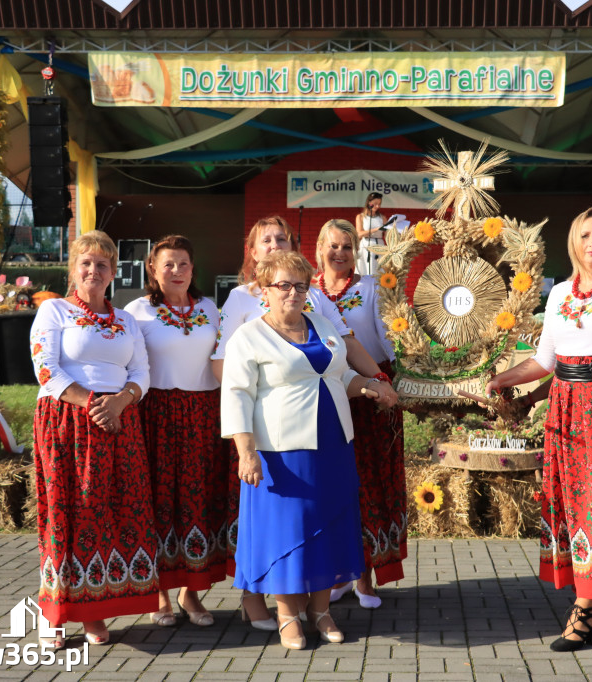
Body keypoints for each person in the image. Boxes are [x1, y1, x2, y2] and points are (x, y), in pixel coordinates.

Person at [486, 207, 592, 652]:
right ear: (573, 241)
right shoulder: (560, 292)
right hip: (567, 410)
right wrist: (503, 379)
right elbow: (546, 361)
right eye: (586, 235)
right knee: (578, 503)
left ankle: (588, 606)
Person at [210, 215, 398, 628]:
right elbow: (236, 391)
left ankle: (321, 611)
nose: (293, 292)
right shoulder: (247, 326)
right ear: (265, 288)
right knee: (286, 531)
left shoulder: (322, 320)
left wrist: (371, 384)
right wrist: (246, 450)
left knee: (327, 526)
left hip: (332, 440)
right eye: (284, 286)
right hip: (281, 444)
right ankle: (286, 614)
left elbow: (340, 370)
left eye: (300, 285)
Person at [29, 230, 155, 648]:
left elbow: (142, 372)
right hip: (67, 421)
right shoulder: (54, 312)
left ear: (114, 272)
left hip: (118, 424)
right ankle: (56, 614)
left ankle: (95, 611)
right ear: (74, 269)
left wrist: (118, 403)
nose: (94, 271)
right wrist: (91, 404)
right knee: (67, 513)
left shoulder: (126, 320)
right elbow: (45, 368)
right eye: (86, 263)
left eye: (103, 264)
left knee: (108, 513)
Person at [124, 235, 224, 629]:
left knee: (198, 498)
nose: (177, 271)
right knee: (160, 500)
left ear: (193, 268)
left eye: (183, 263)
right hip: (156, 414)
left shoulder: (210, 309)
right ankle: (160, 593)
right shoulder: (137, 311)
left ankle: (192, 591)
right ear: (152, 269)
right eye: (168, 264)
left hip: (203, 413)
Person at [312, 219, 406, 609]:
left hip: (372, 396)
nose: (339, 253)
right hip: (326, 397)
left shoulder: (371, 288)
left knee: (368, 485)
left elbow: (391, 340)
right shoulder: (304, 291)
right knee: (331, 486)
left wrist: (394, 383)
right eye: (333, 246)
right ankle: (337, 574)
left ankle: (365, 577)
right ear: (319, 248)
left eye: (347, 247)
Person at [354, 192, 385, 276]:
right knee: (366, 271)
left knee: (380, 272)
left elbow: (387, 233)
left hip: (380, 246)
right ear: (369, 202)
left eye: (379, 204)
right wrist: (376, 229)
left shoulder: (382, 217)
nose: (377, 206)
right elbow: (359, 234)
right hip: (366, 246)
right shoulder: (361, 217)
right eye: (375, 204)